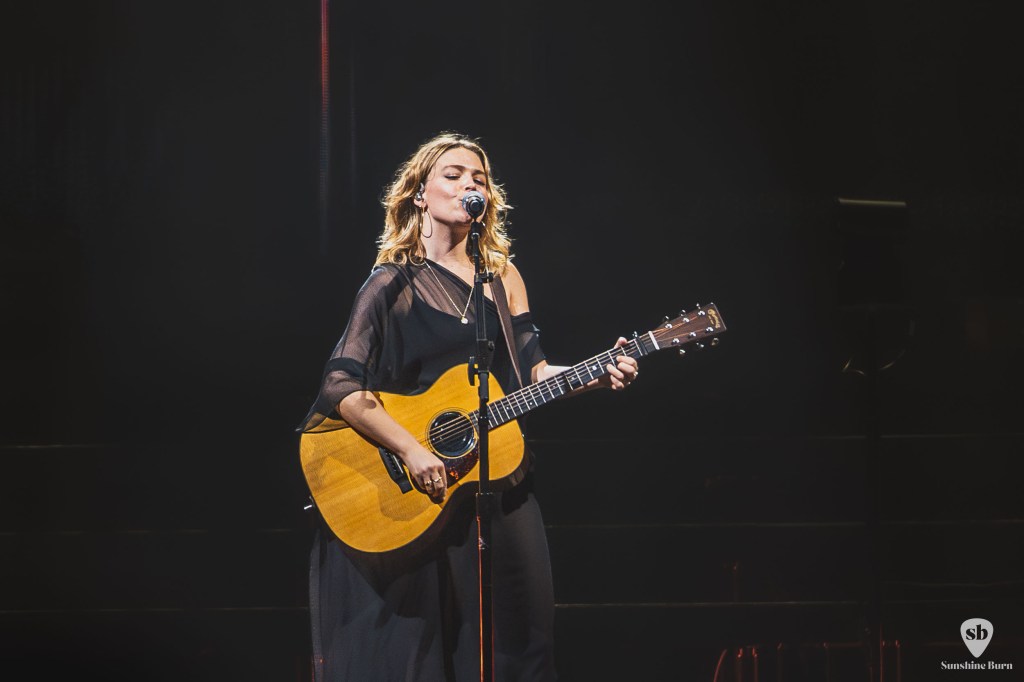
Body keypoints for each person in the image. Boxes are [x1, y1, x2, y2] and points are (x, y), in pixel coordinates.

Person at [298, 132, 639, 681]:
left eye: (478, 178)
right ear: (420, 195)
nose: (469, 185)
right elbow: (342, 384)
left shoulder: (502, 279)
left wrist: (595, 375)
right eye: (454, 174)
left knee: (524, 639)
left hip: (499, 480)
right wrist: (411, 449)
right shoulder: (391, 284)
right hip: (424, 488)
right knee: (430, 649)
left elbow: (534, 372)